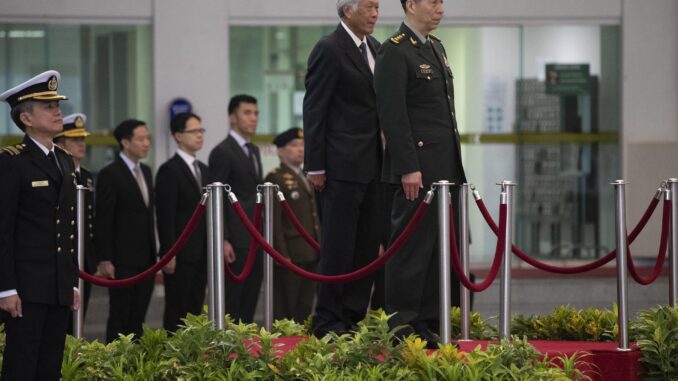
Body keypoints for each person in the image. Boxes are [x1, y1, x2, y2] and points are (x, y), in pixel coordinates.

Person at [374, 0, 466, 347]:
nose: (440, 8)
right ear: (411, 5)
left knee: (437, 250)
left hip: (444, 168)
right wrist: (408, 166)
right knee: (411, 250)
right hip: (417, 172)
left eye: (442, 2)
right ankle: (402, 325)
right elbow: (392, 115)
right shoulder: (395, 52)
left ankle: (427, 321)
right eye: (433, 1)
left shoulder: (435, 47)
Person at [303, 0, 383, 337]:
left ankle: (352, 317)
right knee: (338, 247)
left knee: (366, 247)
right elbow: (315, 109)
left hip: (375, 166)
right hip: (340, 166)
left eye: (378, 7)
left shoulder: (377, 48)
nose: (375, 13)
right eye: (369, 6)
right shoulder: (329, 48)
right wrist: (316, 165)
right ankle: (327, 319)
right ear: (347, 10)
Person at [0, 70, 80, 380]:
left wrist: (71, 280)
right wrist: (5, 288)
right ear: (26, 118)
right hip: (25, 288)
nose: (58, 111)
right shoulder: (11, 162)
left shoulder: (62, 159)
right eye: (47, 106)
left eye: (57, 104)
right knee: (22, 366)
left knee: (49, 368)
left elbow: (66, 227)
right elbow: (3, 231)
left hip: (57, 285)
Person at [94, 119, 156, 343]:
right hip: (122, 259)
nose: (146, 143)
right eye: (140, 139)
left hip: (146, 258)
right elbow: (104, 219)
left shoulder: (147, 172)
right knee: (120, 314)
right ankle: (114, 362)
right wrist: (105, 258)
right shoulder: (110, 174)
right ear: (125, 142)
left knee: (138, 315)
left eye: (147, 138)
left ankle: (135, 366)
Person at [208, 95, 263, 323]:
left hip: (254, 236)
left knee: (250, 302)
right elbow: (217, 198)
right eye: (247, 113)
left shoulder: (254, 150)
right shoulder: (223, 151)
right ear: (233, 118)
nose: (253, 118)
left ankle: (247, 352)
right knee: (233, 303)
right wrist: (223, 239)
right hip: (235, 240)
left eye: (256, 113)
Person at [156, 112, 208, 331]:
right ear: (178, 136)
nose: (199, 136)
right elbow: (165, 215)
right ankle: (173, 358)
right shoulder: (169, 170)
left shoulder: (204, 170)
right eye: (193, 131)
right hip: (181, 252)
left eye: (201, 131)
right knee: (177, 308)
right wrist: (169, 252)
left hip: (203, 251)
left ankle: (195, 359)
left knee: (196, 307)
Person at [265, 128, 320, 323]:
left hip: (310, 250)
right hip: (290, 251)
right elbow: (274, 221)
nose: (300, 149)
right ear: (280, 151)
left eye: (303, 145)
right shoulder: (275, 178)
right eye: (294, 145)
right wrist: (281, 253)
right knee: (285, 306)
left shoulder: (309, 176)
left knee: (304, 306)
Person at [53, 113, 97, 333]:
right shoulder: (59, 174)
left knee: (82, 312)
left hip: (84, 259)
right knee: (63, 322)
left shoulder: (86, 176)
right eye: (75, 140)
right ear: (60, 143)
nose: (82, 144)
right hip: (64, 255)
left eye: (83, 139)